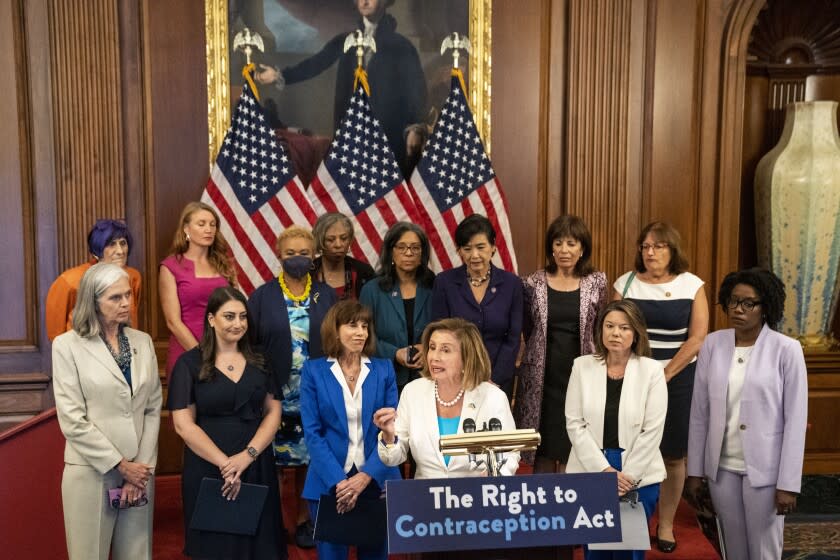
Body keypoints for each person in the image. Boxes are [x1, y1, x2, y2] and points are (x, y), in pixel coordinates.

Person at [686, 269, 808, 560]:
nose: (738, 309)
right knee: (734, 550)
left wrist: (788, 483)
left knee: (764, 551)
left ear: (765, 307)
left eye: (748, 303)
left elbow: (795, 420)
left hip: (766, 473)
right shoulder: (713, 344)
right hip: (722, 469)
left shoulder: (787, 350)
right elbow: (699, 412)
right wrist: (695, 471)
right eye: (733, 301)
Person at [52, 263, 162, 559]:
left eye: (127, 295)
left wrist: (140, 469)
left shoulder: (143, 342)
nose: (126, 302)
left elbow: (152, 408)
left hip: (139, 475)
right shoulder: (67, 347)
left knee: (137, 554)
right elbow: (73, 421)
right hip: (91, 472)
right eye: (115, 297)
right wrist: (120, 465)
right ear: (93, 301)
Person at [168, 287, 286, 559]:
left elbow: (272, 412)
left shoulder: (261, 360)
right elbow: (183, 425)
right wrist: (226, 464)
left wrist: (247, 456)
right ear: (211, 319)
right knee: (216, 547)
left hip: (256, 464)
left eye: (243, 317)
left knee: (261, 547)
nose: (238, 324)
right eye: (229, 316)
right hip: (209, 467)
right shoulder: (189, 364)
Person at [612, 221, 708, 552]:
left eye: (659, 246)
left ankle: (665, 524)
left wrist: (664, 374)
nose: (650, 253)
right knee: (628, 448)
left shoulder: (691, 285)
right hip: (630, 376)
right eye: (645, 247)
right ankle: (630, 520)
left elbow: (697, 338)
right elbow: (613, 328)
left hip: (677, 378)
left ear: (672, 250)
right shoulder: (625, 284)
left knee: (672, 454)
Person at [247, 225, 337, 548]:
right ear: (278, 255)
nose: (297, 259)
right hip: (274, 393)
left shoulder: (326, 295)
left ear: (313, 255)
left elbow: (337, 341)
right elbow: (251, 345)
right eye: (290, 253)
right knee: (273, 464)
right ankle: (273, 524)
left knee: (307, 462)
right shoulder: (262, 295)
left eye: (303, 253)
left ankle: (303, 519)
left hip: (315, 393)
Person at [254, 0, 426, 163]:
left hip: (387, 137)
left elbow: (416, 90)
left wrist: (414, 128)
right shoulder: (346, 41)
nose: (364, 2)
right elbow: (316, 63)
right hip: (351, 136)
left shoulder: (401, 47)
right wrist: (279, 75)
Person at [565, 300, 667, 560]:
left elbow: (653, 430)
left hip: (636, 470)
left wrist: (627, 475)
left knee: (628, 552)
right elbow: (574, 423)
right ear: (600, 330)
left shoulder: (652, 371)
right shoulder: (581, 366)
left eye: (624, 328)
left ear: (636, 333)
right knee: (596, 550)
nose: (615, 333)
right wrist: (604, 470)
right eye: (609, 326)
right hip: (592, 466)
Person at [300, 299, 401, 560]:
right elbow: (313, 433)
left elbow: (392, 429)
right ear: (334, 329)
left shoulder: (384, 369)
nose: (360, 332)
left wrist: (365, 476)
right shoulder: (313, 371)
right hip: (329, 480)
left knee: (376, 554)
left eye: (365, 326)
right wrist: (341, 483)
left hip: (377, 478)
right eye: (352, 325)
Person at [515, 215, 608, 475]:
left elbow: (601, 324)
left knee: (575, 442)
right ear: (550, 248)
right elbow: (528, 328)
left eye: (571, 243)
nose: (564, 250)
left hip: (582, 372)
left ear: (582, 248)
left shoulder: (597, 282)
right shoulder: (532, 282)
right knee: (543, 443)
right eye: (558, 243)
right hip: (542, 376)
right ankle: (543, 508)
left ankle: (569, 506)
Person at [374, 317, 520, 479]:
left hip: (475, 496)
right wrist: (388, 435)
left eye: (445, 350)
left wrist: (495, 474)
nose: (434, 357)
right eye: (432, 347)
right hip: (425, 497)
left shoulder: (493, 397)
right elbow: (393, 458)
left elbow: (509, 454)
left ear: (467, 357)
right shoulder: (412, 392)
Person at [431, 214, 523, 396]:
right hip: (454, 377)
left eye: (481, 247)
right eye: (467, 248)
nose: (475, 255)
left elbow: (513, 339)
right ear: (459, 251)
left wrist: (493, 378)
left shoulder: (512, 284)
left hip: (498, 380)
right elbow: (439, 334)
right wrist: (461, 374)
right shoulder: (444, 283)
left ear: (493, 247)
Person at [160, 202, 236, 377]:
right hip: (187, 352)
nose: (208, 229)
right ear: (186, 228)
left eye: (212, 224)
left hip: (225, 351)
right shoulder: (171, 266)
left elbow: (235, 308)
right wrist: (204, 356)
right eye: (201, 224)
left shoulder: (226, 264)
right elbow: (173, 322)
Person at [360, 222, 435, 393]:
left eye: (415, 248)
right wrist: (395, 353)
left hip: (428, 379)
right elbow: (363, 337)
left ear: (422, 253)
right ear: (390, 252)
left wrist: (429, 347)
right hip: (385, 380)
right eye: (401, 247)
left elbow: (446, 329)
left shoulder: (435, 286)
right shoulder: (372, 290)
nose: (408, 253)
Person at [46, 219, 142, 341]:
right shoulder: (69, 281)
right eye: (112, 244)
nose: (120, 251)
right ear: (97, 249)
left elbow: (131, 318)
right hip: (81, 352)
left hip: (123, 349)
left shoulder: (133, 277)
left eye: (123, 243)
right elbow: (55, 333)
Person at [312, 212, 375, 300]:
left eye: (344, 238)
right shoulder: (308, 273)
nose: (338, 245)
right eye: (330, 240)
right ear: (319, 241)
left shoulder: (364, 272)